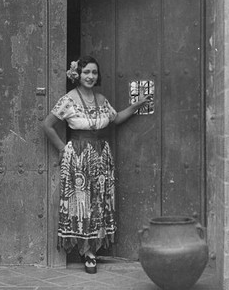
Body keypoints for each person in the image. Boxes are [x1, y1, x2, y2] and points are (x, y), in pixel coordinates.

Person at [43, 56, 152, 274]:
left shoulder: (101, 100)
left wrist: (137, 105)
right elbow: (47, 125)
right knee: (82, 201)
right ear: (77, 75)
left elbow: (117, 118)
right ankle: (86, 253)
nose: (90, 76)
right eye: (86, 72)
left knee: (98, 202)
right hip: (79, 157)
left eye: (94, 72)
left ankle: (92, 249)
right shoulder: (68, 100)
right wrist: (64, 149)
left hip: (101, 156)